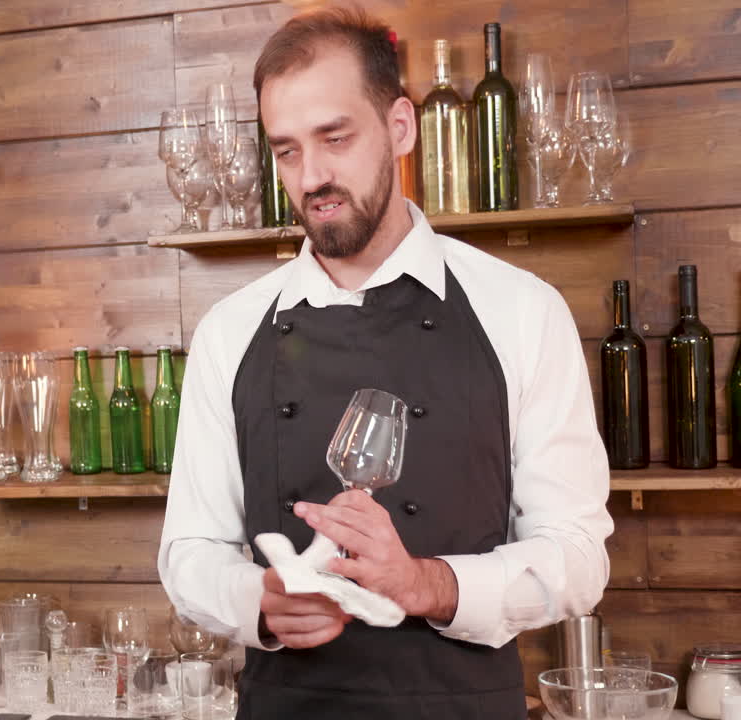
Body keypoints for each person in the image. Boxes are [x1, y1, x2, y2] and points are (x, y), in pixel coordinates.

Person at [158, 8, 613, 719]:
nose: (312, 177)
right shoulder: (230, 331)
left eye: (335, 138)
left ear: (400, 127)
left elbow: (579, 556)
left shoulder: (522, 311)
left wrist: (426, 583)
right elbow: (189, 549)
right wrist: (262, 603)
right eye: (286, 151)